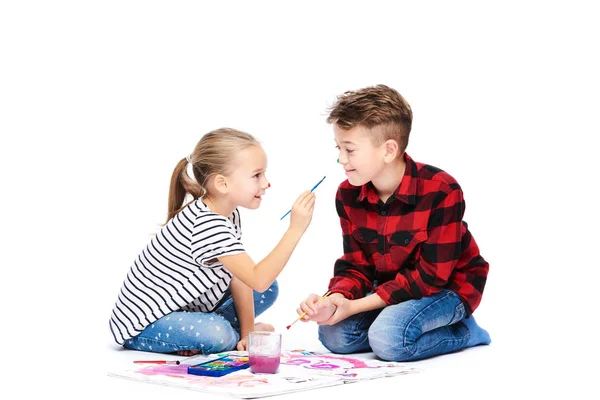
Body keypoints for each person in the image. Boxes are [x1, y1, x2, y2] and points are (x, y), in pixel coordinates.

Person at [297, 85, 491, 362]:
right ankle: (391, 322)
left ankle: (466, 331)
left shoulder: (441, 190)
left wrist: (356, 306)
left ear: (388, 150)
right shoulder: (348, 194)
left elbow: (431, 277)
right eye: (339, 148)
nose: (341, 159)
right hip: (391, 290)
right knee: (334, 336)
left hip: (448, 289)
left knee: (389, 340)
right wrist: (336, 297)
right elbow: (356, 265)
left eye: (350, 150)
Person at [110, 128, 316, 355]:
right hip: (144, 324)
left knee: (269, 289)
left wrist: (249, 334)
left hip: (185, 307)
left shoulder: (228, 213)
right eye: (257, 175)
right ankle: (215, 333)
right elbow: (257, 278)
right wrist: (295, 229)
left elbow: (241, 277)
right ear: (222, 184)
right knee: (219, 335)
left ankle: (224, 333)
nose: (267, 183)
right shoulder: (208, 225)